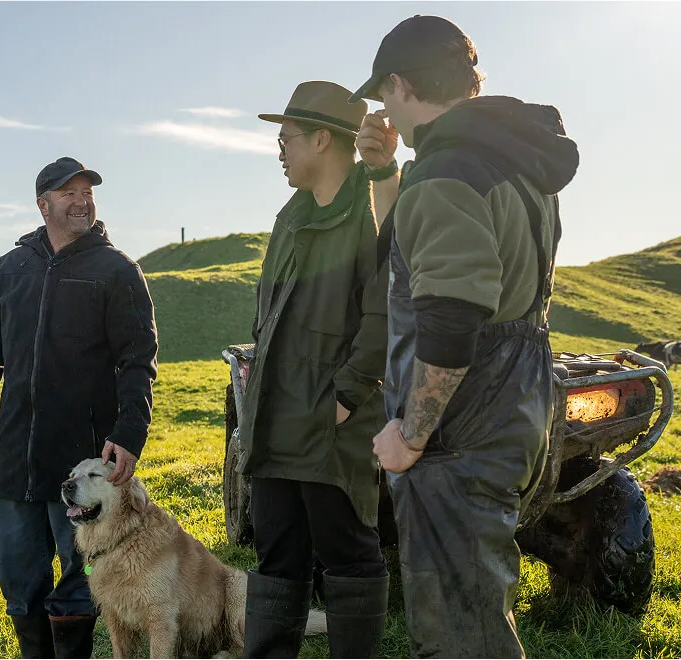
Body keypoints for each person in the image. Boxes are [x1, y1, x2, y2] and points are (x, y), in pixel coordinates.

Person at [351, 14, 579, 658]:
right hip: (512, 401)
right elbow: (419, 246)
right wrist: (384, 171)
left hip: (458, 428)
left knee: (460, 633)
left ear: (399, 84)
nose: (381, 108)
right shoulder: (502, 157)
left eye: (382, 95)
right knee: (475, 607)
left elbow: (451, 316)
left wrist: (411, 433)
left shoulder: (448, 172)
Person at [0, 156, 159, 659]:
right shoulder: (9, 270)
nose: (82, 201)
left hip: (84, 460)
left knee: (80, 578)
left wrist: (130, 433)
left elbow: (138, 359)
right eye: (69, 193)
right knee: (19, 579)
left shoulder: (116, 270)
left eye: (87, 192)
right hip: (16, 458)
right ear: (43, 204)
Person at [237, 80, 399, 658]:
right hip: (277, 419)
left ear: (324, 139)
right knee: (276, 553)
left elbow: (385, 312)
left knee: (348, 552)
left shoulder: (373, 212)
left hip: (330, 423)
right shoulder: (291, 215)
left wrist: (345, 398)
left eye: (287, 138)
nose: (279, 149)